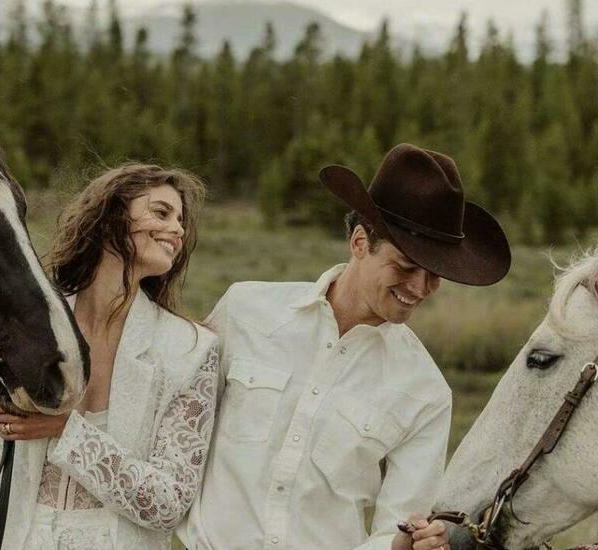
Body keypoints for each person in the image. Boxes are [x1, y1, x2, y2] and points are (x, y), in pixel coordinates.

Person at [0, 164, 219, 550]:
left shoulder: (190, 351)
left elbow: (169, 504)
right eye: (162, 213)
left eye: (181, 220)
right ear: (111, 216)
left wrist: (66, 431)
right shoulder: (27, 327)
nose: (178, 229)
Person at [179, 143, 512, 550]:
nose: (420, 288)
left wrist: (409, 542)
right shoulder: (245, 310)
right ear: (359, 243)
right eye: (406, 267)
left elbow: (397, 528)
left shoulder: (426, 392)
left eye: (435, 276)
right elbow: (174, 432)